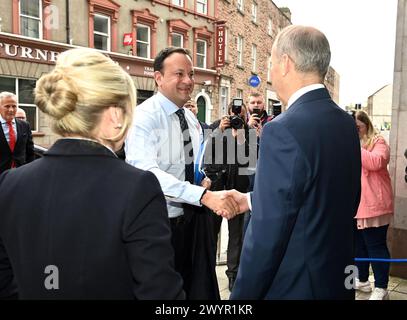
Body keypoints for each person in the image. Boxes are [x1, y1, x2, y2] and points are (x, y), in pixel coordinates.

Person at [0, 48, 184, 299]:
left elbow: (6, 280)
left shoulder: (9, 184)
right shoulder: (137, 187)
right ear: (115, 116)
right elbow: (160, 294)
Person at [226, 25, 362, 299]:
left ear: (286, 63)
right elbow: (330, 194)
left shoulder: (282, 129)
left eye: (272, 62)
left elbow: (267, 236)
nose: (271, 72)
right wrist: (252, 199)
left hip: (296, 285)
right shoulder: (346, 123)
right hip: (336, 277)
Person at [125, 47, 238, 300]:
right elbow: (146, 173)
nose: (188, 81)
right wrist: (201, 195)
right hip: (159, 227)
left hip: (194, 223)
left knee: (195, 289)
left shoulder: (191, 118)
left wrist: (202, 179)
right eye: (179, 73)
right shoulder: (144, 117)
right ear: (158, 78)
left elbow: (193, 163)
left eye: (191, 73)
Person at [206, 101, 253, 292]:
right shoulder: (216, 126)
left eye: (239, 113)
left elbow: (250, 161)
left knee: (236, 236)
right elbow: (206, 154)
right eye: (234, 112)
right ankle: (207, 269)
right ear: (227, 112)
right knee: (211, 233)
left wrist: (240, 136)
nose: (235, 116)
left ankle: (233, 275)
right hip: (216, 189)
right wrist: (219, 131)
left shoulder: (247, 131)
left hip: (237, 191)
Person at [354, 110, 394, 300]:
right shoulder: (350, 145)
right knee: (359, 246)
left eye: (358, 127)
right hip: (356, 205)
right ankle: (362, 280)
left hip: (375, 204)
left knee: (376, 246)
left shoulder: (378, 141)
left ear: (366, 124)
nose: (356, 131)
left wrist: (354, 145)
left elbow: (376, 162)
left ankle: (381, 287)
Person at [0, 92, 34, 174]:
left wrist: (29, 171)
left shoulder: (25, 125)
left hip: (20, 174)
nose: (11, 110)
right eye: (7, 106)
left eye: (14, 106)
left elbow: (30, 152)